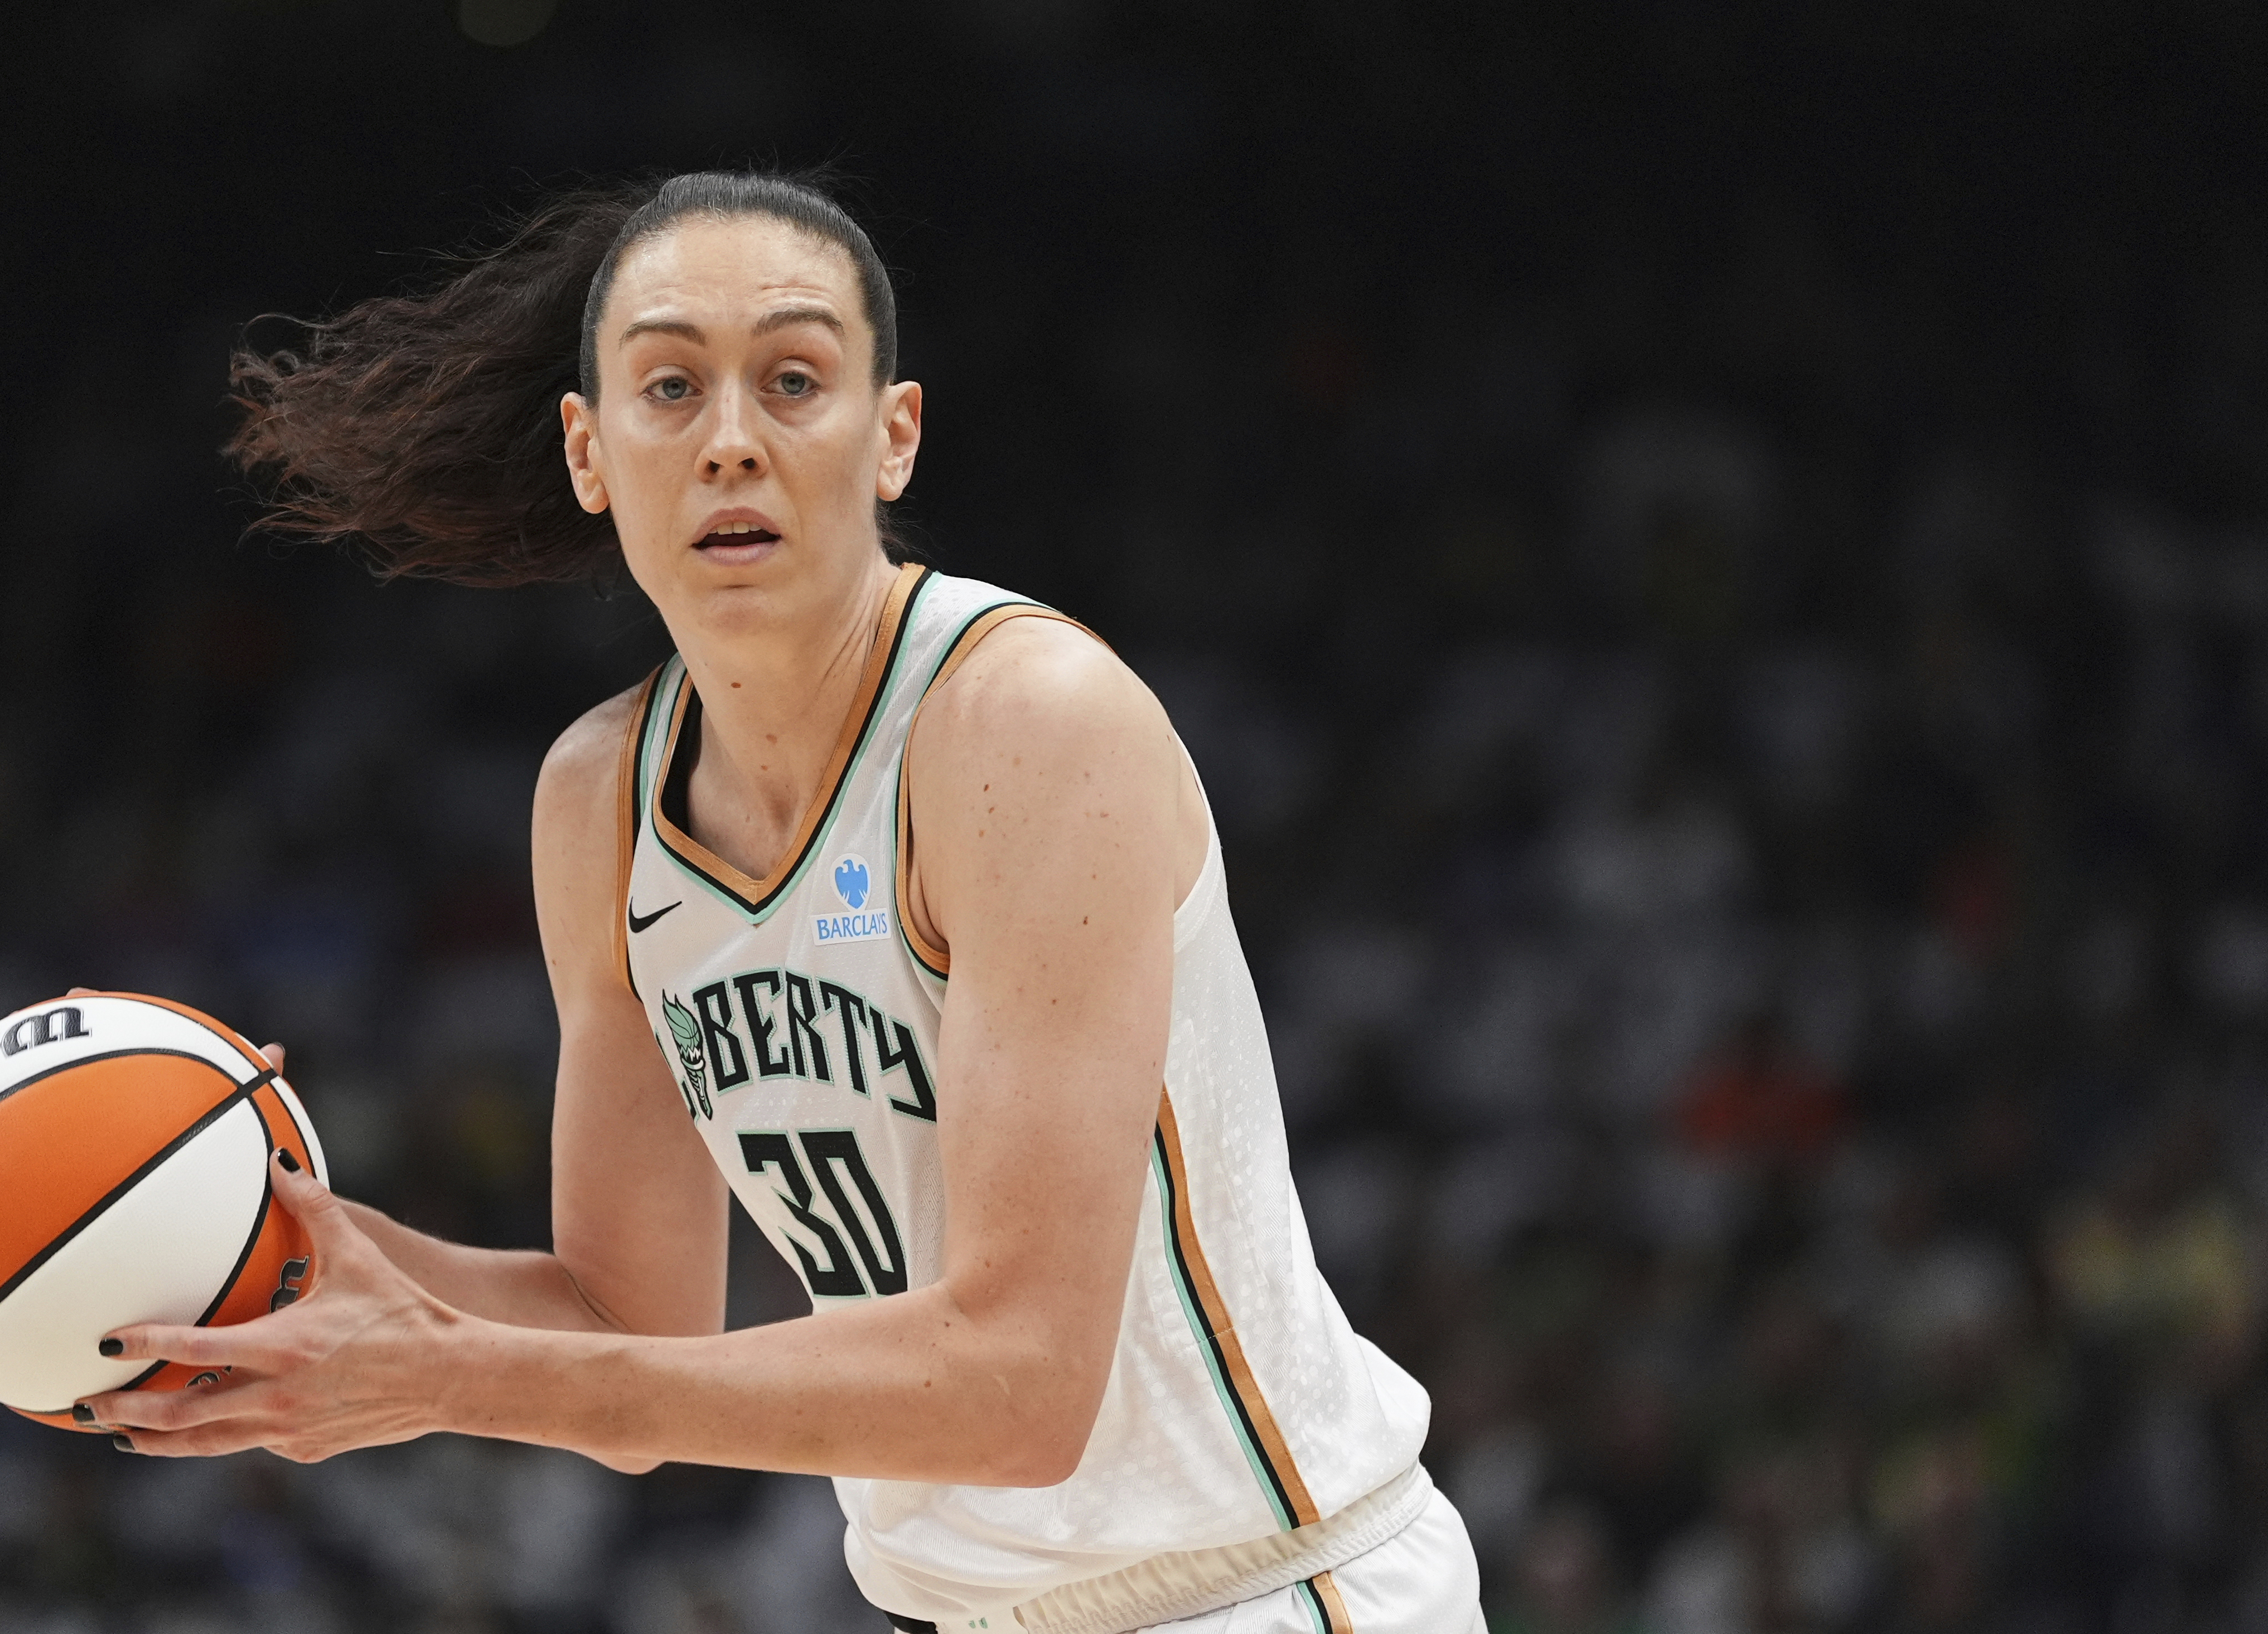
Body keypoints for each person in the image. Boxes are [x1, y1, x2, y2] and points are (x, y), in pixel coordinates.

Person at [76, 172, 1482, 1634]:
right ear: (588, 451)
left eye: (794, 381)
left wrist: (448, 1372)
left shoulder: (1021, 724)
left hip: (1265, 1591)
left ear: (893, 436)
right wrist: (265, 1244)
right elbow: (622, 1340)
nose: (731, 442)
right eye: (669, 387)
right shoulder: (600, 800)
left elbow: (1016, 1386)